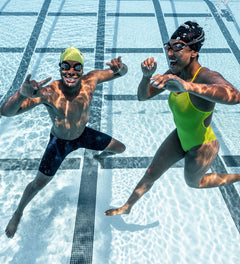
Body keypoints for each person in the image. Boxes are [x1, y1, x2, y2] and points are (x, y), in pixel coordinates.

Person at [105, 21, 240, 216]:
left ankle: (237, 176)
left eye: (177, 47)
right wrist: (146, 76)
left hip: (202, 145)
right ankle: (127, 207)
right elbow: (142, 97)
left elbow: (234, 95)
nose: (169, 53)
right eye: (168, 47)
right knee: (151, 173)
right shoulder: (174, 73)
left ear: (193, 51)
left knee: (194, 183)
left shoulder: (206, 76)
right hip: (180, 136)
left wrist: (187, 86)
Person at [1, 46, 128, 237]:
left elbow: (120, 73)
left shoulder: (91, 80)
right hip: (59, 143)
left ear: (82, 70)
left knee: (120, 148)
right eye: (66, 66)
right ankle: (18, 212)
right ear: (60, 68)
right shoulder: (49, 92)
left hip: (83, 135)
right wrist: (21, 94)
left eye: (77, 67)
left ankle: (101, 157)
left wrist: (122, 67)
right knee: (38, 184)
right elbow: (6, 112)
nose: (71, 71)